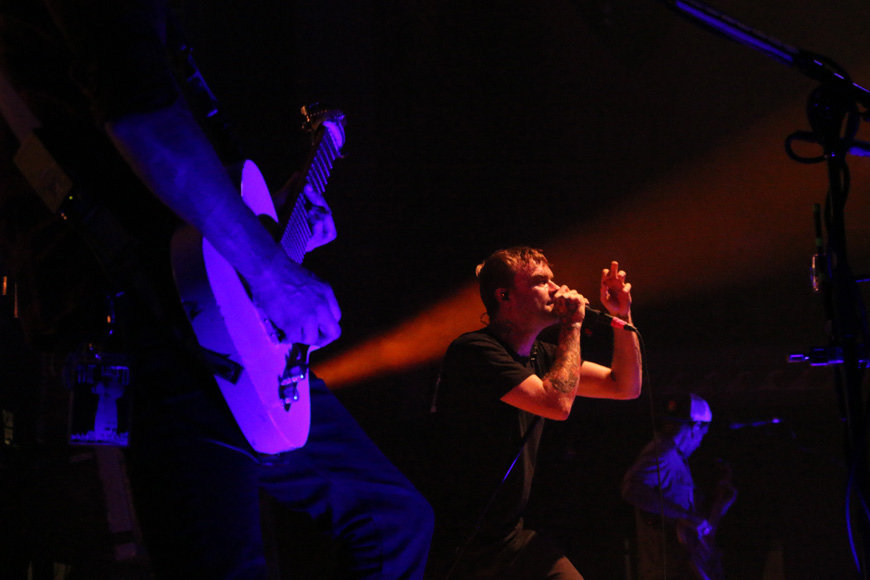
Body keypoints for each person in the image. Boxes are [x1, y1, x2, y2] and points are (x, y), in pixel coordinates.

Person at [0, 1, 432, 578]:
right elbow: (143, 119)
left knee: (394, 519)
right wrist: (274, 276)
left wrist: (267, 222)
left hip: (212, 318)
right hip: (151, 315)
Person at [425, 246, 643, 580]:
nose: (557, 289)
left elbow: (624, 386)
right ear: (505, 295)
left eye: (553, 280)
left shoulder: (543, 356)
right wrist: (571, 327)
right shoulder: (475, 351)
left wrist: (621, 317)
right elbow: (556, 404)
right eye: (542, 281)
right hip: (460, 542)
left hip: (510, 538)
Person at [621, 393, 737, 580]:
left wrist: (719, 507)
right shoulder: (663, 452)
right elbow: (630, 489)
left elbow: (686, 526)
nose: (699, 444)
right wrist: (684, 515)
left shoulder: (675, 457)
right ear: (696, 427)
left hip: (679, 568)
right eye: (702, 435)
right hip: (666, 571)